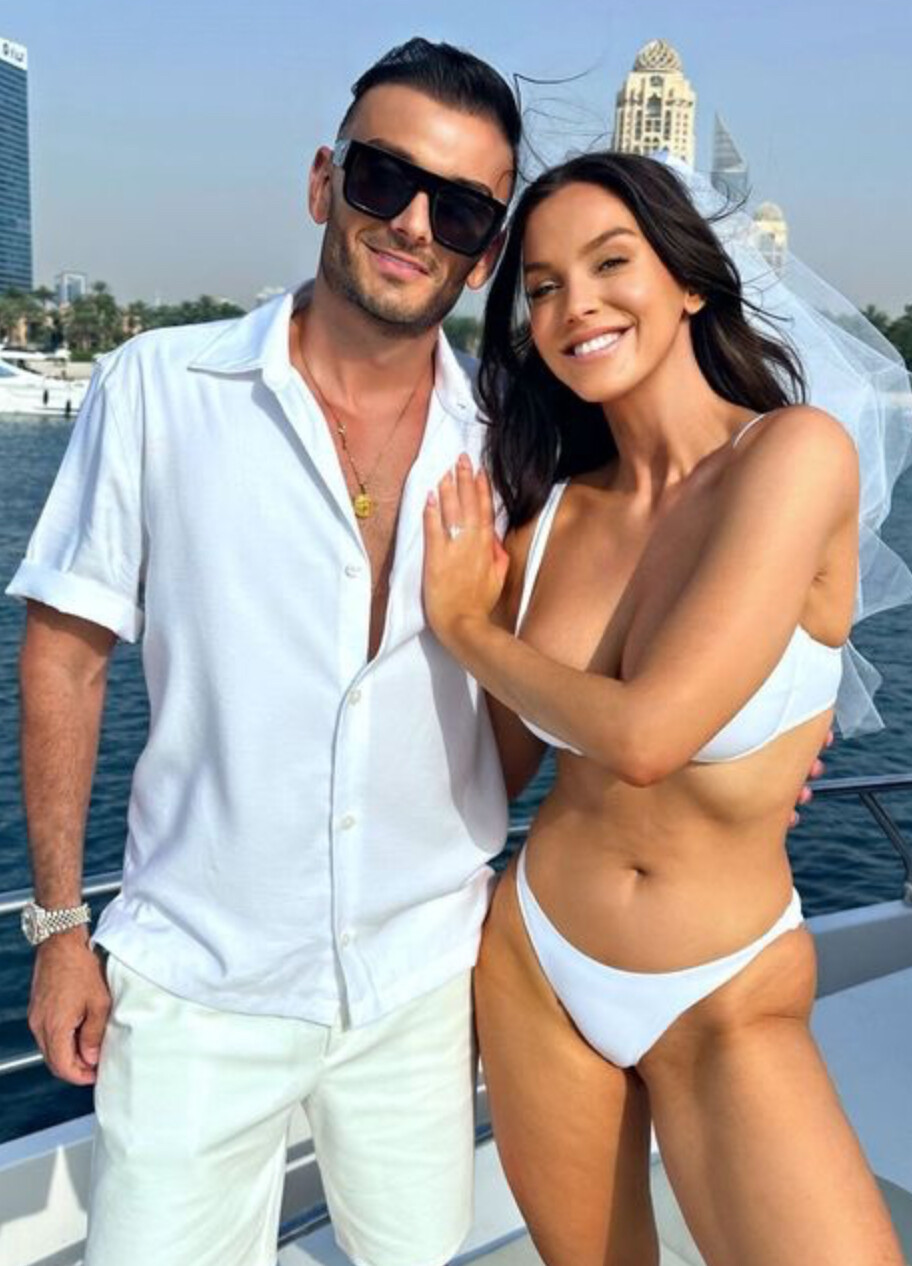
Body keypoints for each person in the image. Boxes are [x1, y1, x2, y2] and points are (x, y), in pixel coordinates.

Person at [7, 38, 520, 1266]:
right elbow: (66, 656)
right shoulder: (160, 386)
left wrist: (755, 746)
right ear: (322, 181)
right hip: (197, 976)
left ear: (486, 251)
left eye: (458, 209)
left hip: (423, 976)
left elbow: (579, 651)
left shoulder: (508, 439)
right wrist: (61, 927)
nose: (412, 224)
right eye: (384, 178)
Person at [421, 151, 912, 1266]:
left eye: (611, 264)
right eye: (542, 287)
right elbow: (489, 777)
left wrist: (468, 630)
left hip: (724, 988)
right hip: (536, 962)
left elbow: (649, 738)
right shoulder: (546, 515)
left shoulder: (792, 456)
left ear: (689, 280)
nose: (575, 306)